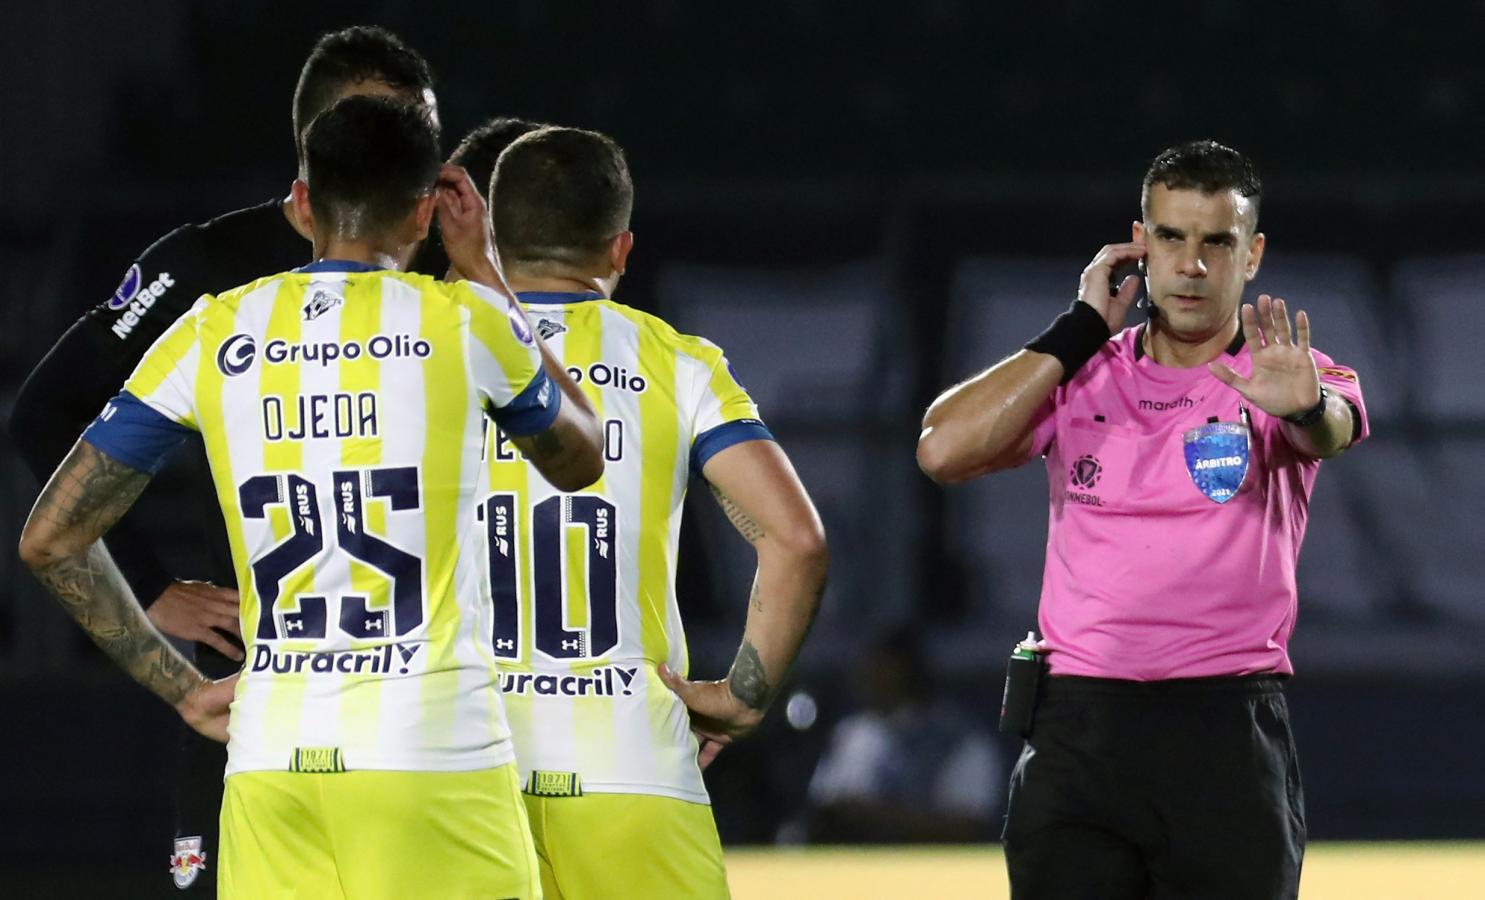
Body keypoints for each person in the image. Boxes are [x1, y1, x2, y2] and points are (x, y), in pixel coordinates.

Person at [20, 96, 604, 899]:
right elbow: (581, 457)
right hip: (428, 753)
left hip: (272, 761)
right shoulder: (464, 322)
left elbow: (49, 539)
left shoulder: (210, 331)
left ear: (302, 203)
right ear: (427, 211)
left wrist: (181, 689)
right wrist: (490, 279)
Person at [7, 25, 441, 894]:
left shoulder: (452, 286)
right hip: (258, 680)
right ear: (318, 150)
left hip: (428, 699)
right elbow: (46, 412)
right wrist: (150, 585)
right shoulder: (209, 274)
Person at [917, 140, 1368, 900]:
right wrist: (1078, 327)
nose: (1191, 264)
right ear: (1140, 244)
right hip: (1079, 735)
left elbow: (1327, 429)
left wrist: (1305, 407)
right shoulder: (1079, 370)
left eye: (1216, 241)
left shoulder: (1285, 373)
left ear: (1251, 254)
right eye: (1171, 237)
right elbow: (941, 450)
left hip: (1223, 734)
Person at [479, 125, 828, 899]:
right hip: (629, 766)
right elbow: (796, 540)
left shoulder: (430, 346)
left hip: (456, 772)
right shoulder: (674, 361)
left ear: (492, 243)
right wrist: (740, 698)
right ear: (620, 250)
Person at [802, 626, 1000, 844]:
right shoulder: (852, 733)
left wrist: (879, 817)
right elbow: (823, 810)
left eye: (885, 667)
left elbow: (969, 827)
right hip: (852, 866)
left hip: (929, 869)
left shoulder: (962, 740)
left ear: (911, 672)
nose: (872, 676)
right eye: (870, 666)